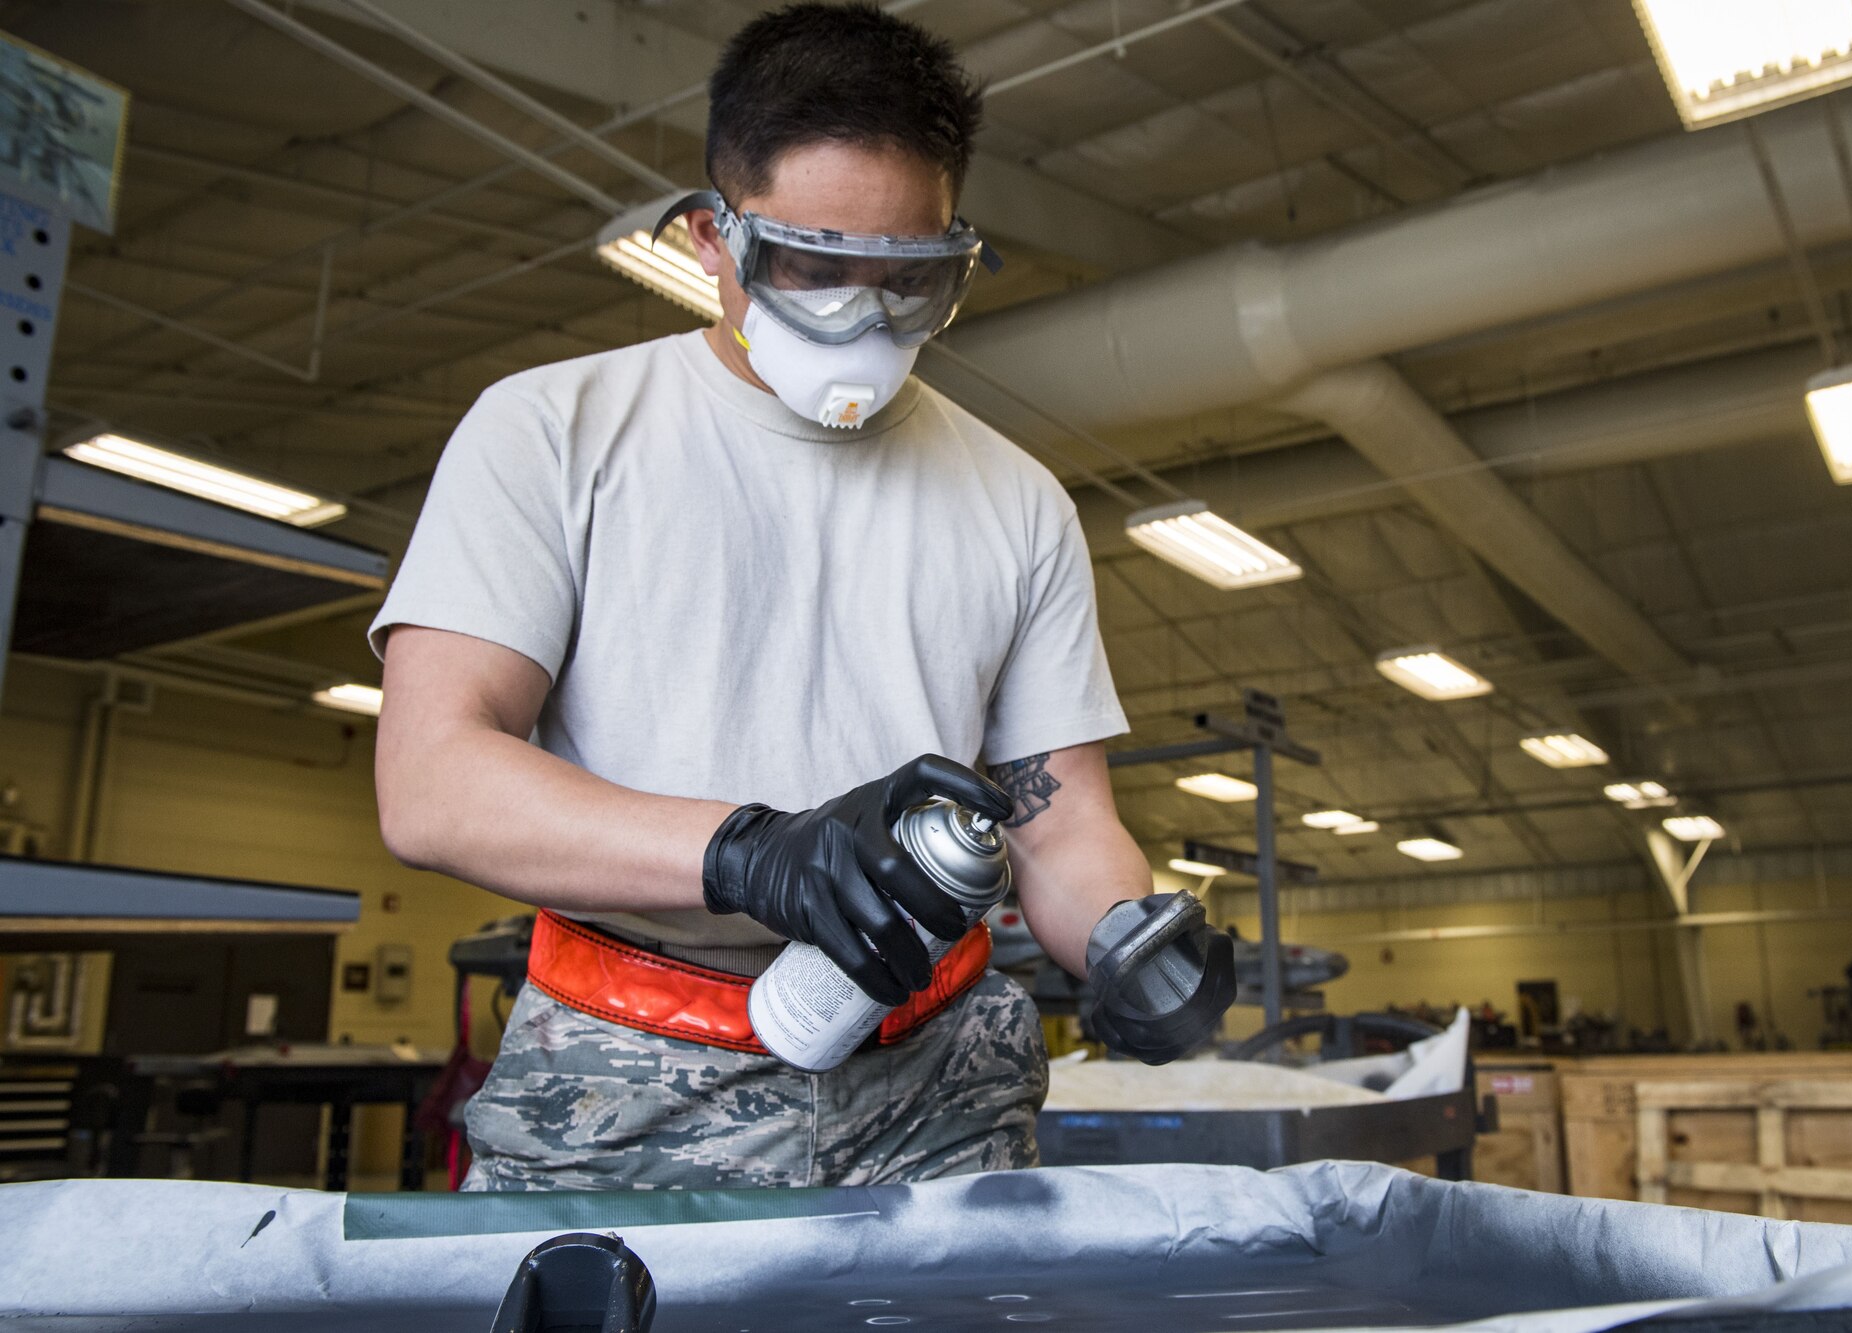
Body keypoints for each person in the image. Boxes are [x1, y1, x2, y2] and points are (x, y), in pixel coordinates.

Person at [371, 1, 1223, 1193]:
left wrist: (1128, 943)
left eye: (908, 279)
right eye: (812, 267)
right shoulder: (553, 432)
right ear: (708, 239)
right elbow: (431, 782)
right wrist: (746, 854)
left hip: (941, 1088)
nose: (861, 320)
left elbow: (1060, 819)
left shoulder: (1017, 500)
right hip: (625, 1075)